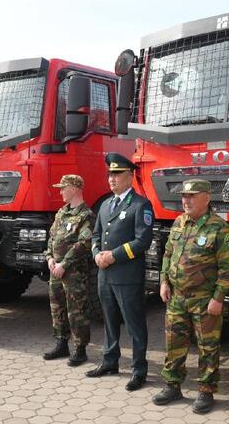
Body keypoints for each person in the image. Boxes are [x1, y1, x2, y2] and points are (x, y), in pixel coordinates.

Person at [152, 179, 229, 414]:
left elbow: (228, 269)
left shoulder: (220, 229)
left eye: (192, 196)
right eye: (184, 196)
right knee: (173, 343)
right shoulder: (179, 222)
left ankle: (206, 390)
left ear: (207, 198)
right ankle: (172, 385)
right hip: (177, 297)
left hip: (204, 299)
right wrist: (163, 281)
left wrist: (218, 298)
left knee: (207, 347)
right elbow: (167, 254)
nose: (185, 200)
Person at [87, 153, 154, 392]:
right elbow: (96, 234)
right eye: (110, 174)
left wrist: (113, 255)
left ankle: (139, 370)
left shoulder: (140, 205)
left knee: (134, 324)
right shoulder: (106, 204)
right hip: (105, 275)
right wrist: (96, 253)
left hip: (126, 276)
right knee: (109, 321)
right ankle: (110, 360)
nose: (111, 179)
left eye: (117, 174)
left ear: (130, 176)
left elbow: (142, 241)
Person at [43, 175, 94, 366]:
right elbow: (51, 238)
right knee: (57, 306)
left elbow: (84, 243)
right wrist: (49, 258)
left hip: (74, 273)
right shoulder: (61, 213)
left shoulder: (86, 215)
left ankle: (80, 349)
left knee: (76, 310)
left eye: (63, 188)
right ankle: (61, 343)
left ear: (73, 188)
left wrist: (64, 264)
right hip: (55, 269)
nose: (60, 191)